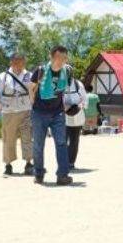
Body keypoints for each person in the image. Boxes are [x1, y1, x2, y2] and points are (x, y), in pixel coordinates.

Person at [29, 46, 73, 185]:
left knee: (61, 143)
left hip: (58, 113)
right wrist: (32, 102)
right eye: (59, 58)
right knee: (38, 145)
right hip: (39, 113)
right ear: (52, 57)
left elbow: (66, 89)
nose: (61, 61)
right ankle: (39, 174)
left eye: (64, 58)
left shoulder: (67, 71)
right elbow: (30, 86)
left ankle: (62, 175)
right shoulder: (41, 70)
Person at [0, 53, 34, 176]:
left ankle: (28, 164)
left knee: (27, 137)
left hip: (26, 110)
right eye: (16, 62)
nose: (18, 65)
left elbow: (35, 90)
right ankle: (8, 164)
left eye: (20, 62)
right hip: (9, 112)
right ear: (11, 62)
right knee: (8, 139)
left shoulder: (29, 75)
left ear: (24, 62)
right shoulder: (3, 76)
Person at [64, 76, 87, 170]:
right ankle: (63, 161)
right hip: (63, 116)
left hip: (77, 116)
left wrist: (78, 106)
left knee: (74, 141)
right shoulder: (59, 84)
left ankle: (71, 162)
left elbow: (85, 99)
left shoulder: (78, 84)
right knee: (62, 141)